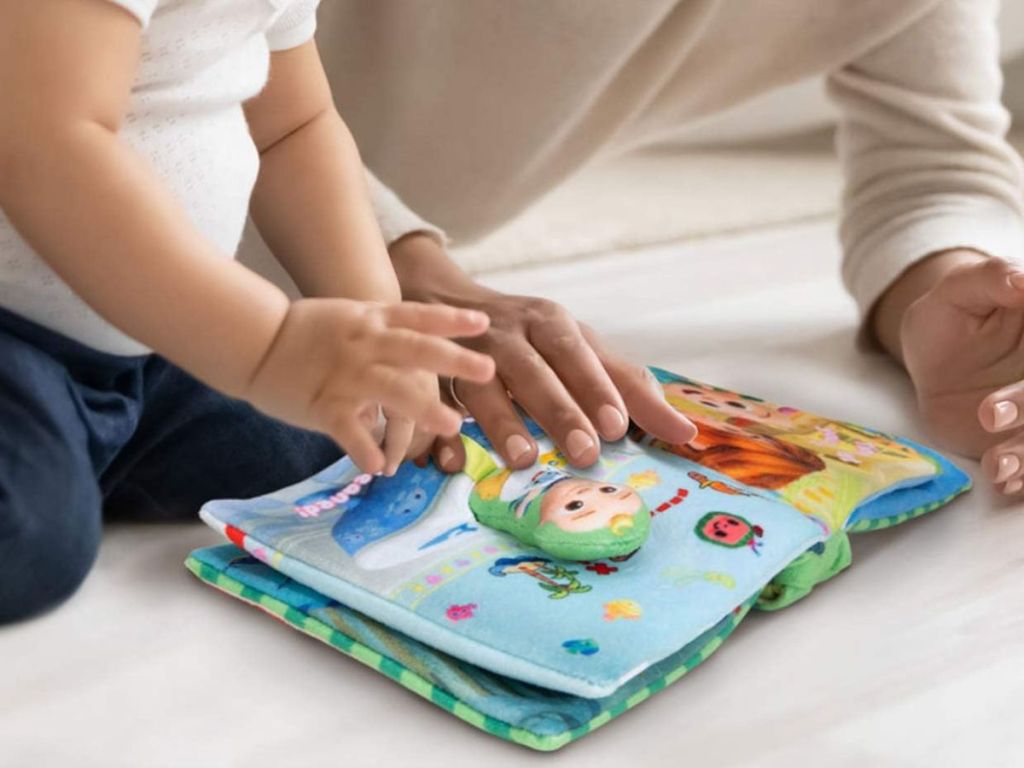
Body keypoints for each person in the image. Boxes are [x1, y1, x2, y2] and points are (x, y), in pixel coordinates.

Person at [308, 1, 1024, 495]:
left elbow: (934, 167)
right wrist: (398, 264)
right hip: (223, 182)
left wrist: (955, 302)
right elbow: (205, 61)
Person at [0, 0, 497, 622]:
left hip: (145, 338)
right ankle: (57, 467)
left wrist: (378, 323)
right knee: (29, 536)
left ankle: (75, 454)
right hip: (14, 332)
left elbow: (295, 126)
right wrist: (268, 347)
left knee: (316, 443)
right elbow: (45, 143)